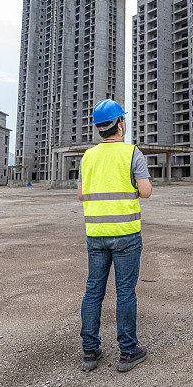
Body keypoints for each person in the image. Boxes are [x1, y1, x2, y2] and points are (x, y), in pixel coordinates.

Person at [77, 99, 153, 372]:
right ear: (120, 124)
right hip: (125, 235)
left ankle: (89, 351)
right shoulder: (132, 153)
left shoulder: (88, 156)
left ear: (99, 128)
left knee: (93, 291)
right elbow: (145, 191)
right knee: (125, 293)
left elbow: (81, 194)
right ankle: (128, 352)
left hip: (95, 234)